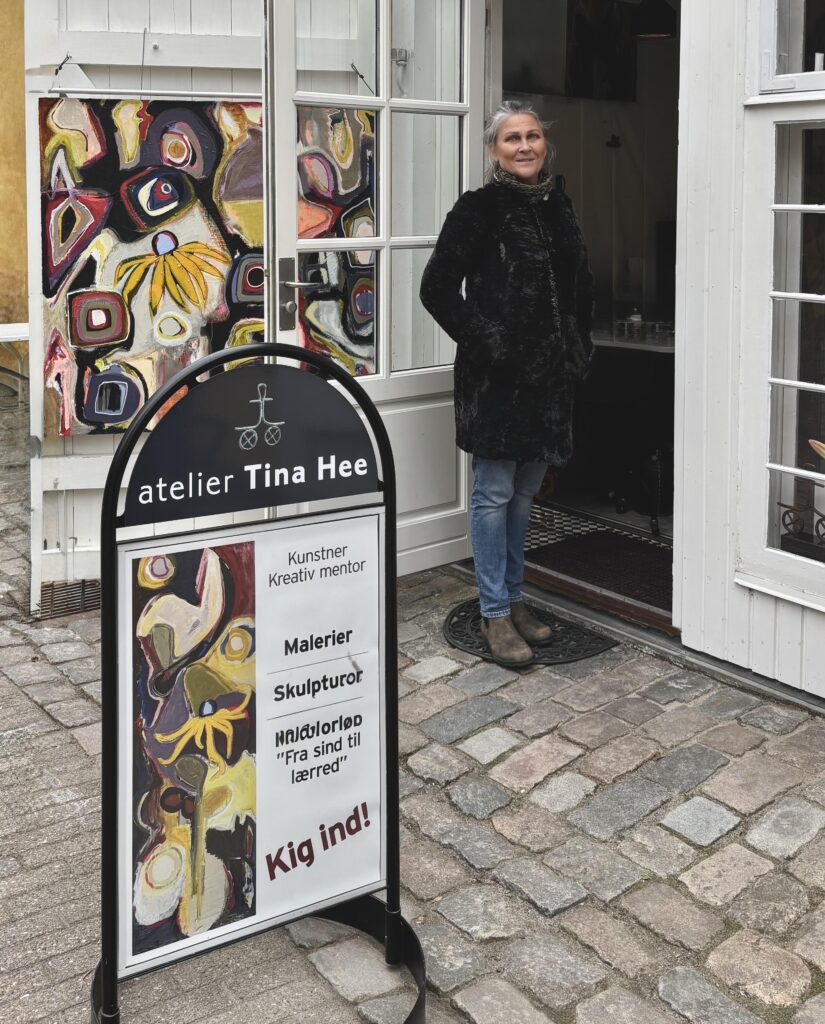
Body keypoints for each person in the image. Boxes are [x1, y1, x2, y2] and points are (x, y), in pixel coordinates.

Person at [420, 100, 594, 667]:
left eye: (533, 136)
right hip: (497, 383)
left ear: (545, 145)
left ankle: (515, 600)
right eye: (512, 138)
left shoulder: (559, 206)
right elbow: (436, 288)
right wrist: (491, 344)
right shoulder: (478, 209)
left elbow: (580, 286)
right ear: (494, 151)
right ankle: (493, 612)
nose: (524, 146)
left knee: (523, 495)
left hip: (550, 382)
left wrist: (577, 345)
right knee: (493, 494)